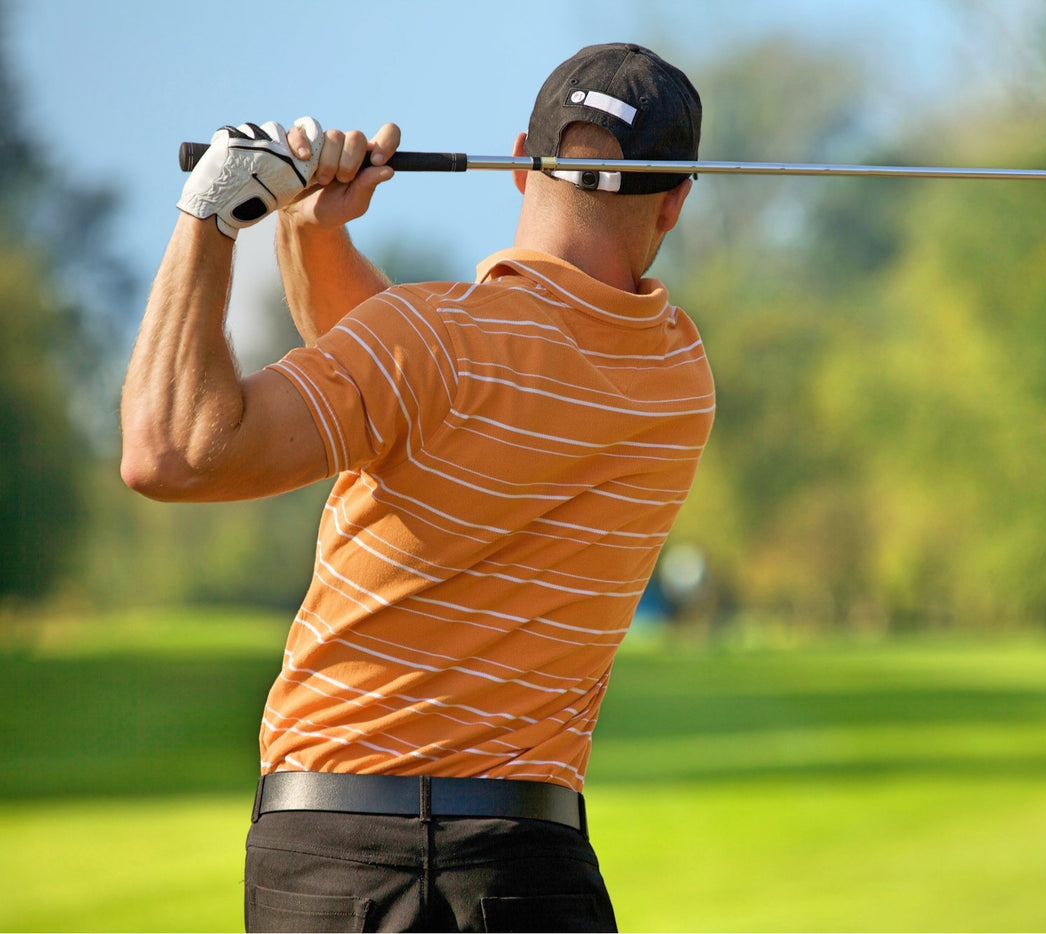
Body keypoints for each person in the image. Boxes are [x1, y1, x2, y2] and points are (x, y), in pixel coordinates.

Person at [120, 43, 710, 932]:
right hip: (526, 862)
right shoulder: (678, 379)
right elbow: (409, 401)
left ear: (522, 159)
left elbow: (171, 451)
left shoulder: (425, 342)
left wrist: (212, 212)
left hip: (331, 852)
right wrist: (314, 233)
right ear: (675, 199)